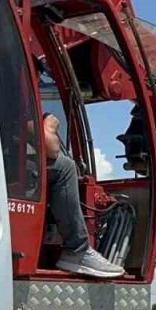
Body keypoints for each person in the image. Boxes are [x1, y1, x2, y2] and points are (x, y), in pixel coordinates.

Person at [42, 113, 124, 278]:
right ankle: (76, 250)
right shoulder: (14, 93)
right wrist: (49, 125)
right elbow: (50, 148)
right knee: (65, 167)